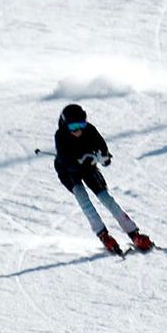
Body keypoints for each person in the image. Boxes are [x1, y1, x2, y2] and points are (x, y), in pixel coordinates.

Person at [53, 104, 155, 256]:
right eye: (73, 126)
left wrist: (104, 158)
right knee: (83, 199)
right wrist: (84, 160)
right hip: (68, 172)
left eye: (81, 124)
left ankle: (133, 233)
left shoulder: (90, 130)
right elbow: (68, 163)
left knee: (107, 199)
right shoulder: (60, 136)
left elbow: (104, 152)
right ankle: (103, 235)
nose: (78, 130)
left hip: (89, 168)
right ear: (64, 125)